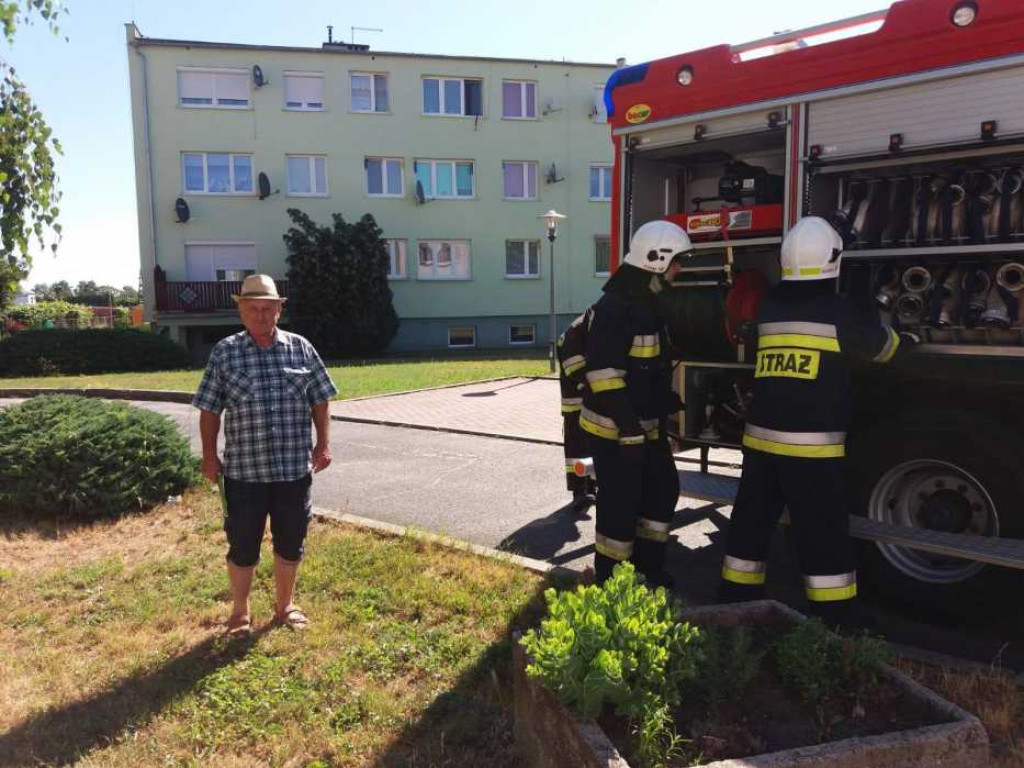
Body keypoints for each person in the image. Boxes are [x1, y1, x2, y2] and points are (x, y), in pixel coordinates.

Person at [717, 216, 917, 630]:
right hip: (812, 452)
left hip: (761, 446)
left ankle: (732, 610)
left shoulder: (770, 307)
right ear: (831, 262)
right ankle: (835, 623)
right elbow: (885, 351)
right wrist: (903, 336)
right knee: (822, 538)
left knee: (749, 531)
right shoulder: (837, 311)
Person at [193, 274, 338, 636]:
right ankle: (240, 613)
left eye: (267, 309)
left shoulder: (301, 349)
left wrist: (323, 444)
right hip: (245, 473)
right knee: (242, 545)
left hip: (293, 470)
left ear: (278, 310)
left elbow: (321, 399)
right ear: (241, 310)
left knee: (291, 541)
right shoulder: (225, 352)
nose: (260, 315)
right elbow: (210, 410)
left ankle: (284, 605)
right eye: (252, 308)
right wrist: (209, 457)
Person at [580, 220, 690, 587]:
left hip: (643, 427)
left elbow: (648, 368)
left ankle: (648, 570)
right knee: (620, 507)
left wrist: (662, 407)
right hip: (615, 429)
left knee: (662, 491)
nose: (679, 269)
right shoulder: (616, 307)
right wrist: (628, 430)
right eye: (676, 261)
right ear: (657, 259)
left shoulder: (646, 299)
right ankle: (613, 583)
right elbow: (604, 376)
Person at [556, 307, 598, 515]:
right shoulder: (575, 334)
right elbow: (574, 369)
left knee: (589, 449)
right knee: (577, 452)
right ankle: (579, 492)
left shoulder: (586, 328)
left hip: (587, 400)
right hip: (575, 404)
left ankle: (590, 488)